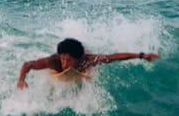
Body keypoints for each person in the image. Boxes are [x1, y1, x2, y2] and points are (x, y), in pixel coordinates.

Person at [17, 38, 160, 89]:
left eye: (69, 60)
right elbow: (28, 65)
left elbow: (114, 57)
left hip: (82, 54)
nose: (65, 63)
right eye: (63, 59)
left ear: (78, 59)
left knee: (88, 56)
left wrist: (142, 56)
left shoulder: (87, 60)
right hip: (73, 52)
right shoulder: (54, 61)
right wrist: (21, 80)